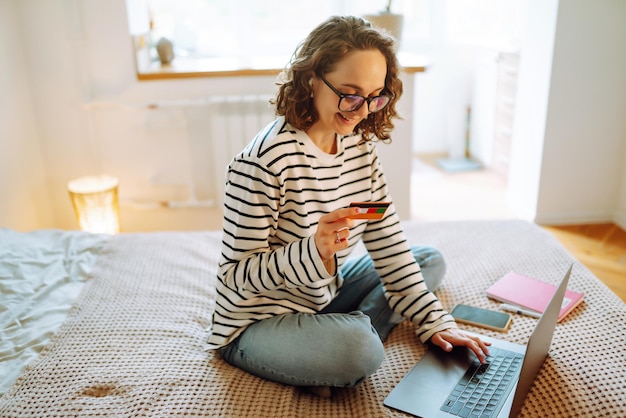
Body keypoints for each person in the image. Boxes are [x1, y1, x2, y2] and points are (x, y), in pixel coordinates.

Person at [207, 15, 490, 397]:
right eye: (350, 92)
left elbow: (386, 238)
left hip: (323, 295)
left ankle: (331, 348)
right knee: (360, 349)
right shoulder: (262, 163)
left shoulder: (359, 149)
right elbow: (234, 277)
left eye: (375, 95)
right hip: (257, 321)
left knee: (427, 260)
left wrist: (436, 323)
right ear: (310, 78)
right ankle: (341, 345)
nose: (361, 109)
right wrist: (313, 250)